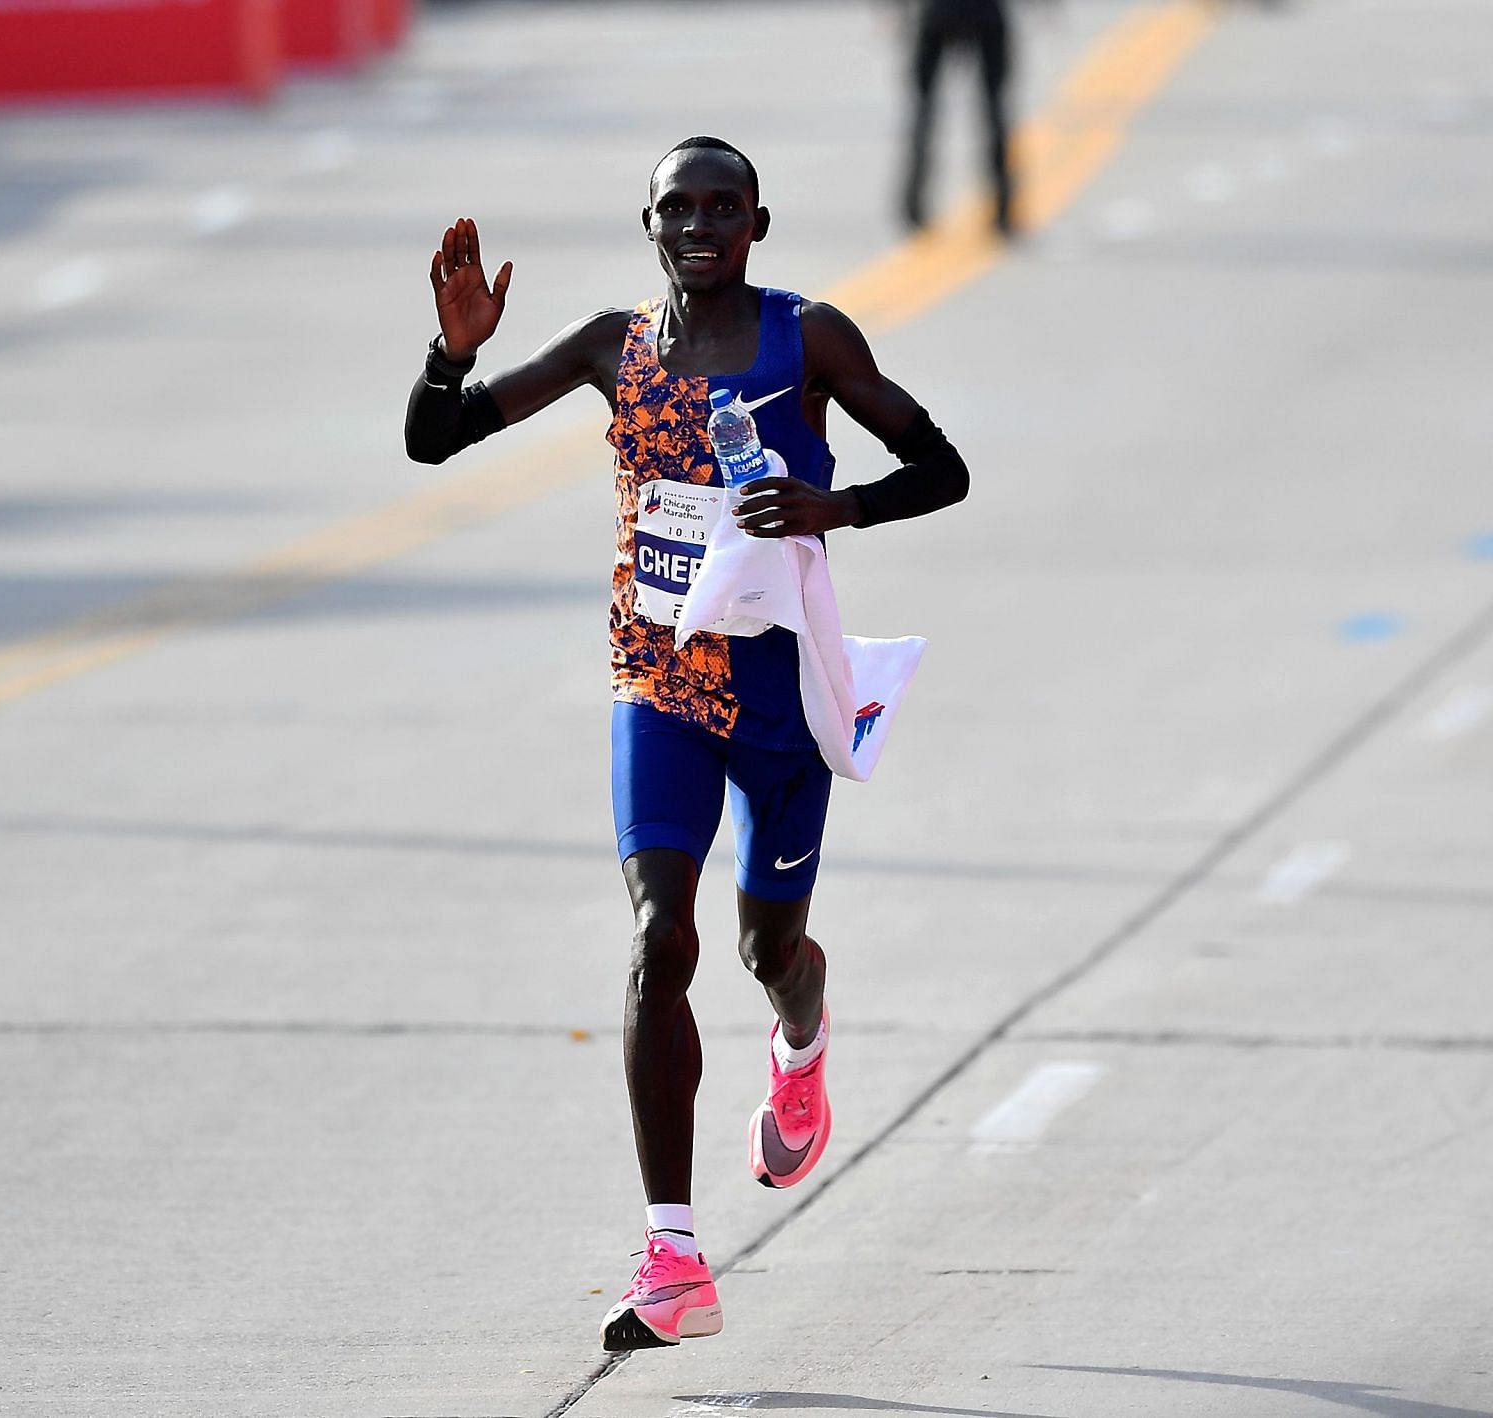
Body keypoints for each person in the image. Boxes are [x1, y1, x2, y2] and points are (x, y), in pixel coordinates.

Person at [403, 138, 970, 1352]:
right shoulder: (614, 347)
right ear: (646, 223)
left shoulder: (807, 337)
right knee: (662, 933)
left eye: (723, 206)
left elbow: (944, 466)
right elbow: (433, 441)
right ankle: (673, 1252)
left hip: (781, 695)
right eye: (678, 207)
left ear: (758, 223)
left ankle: (803, 1039)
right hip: (654, 679)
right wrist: (452, 354)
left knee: (771, 947)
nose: (700, 223)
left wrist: (836, 506)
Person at [898, 0, 1019, 234]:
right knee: (994, 112)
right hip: (983, 13)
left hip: (940, 13)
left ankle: (913, 205)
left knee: (925, 113)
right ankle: (1003, 208)